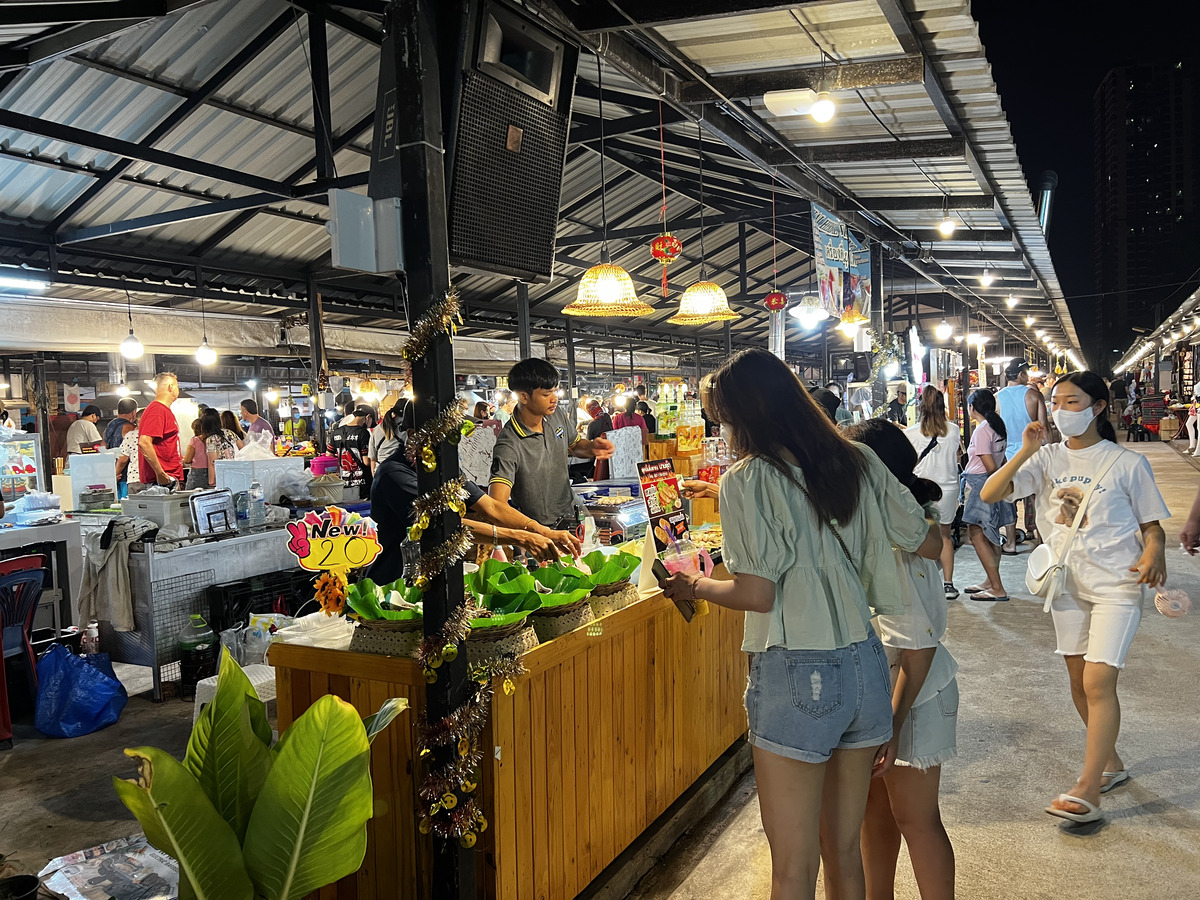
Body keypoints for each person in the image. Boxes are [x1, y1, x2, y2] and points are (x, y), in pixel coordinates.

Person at [662, 349, 941, 900]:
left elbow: (757, 592)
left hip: (796, 671)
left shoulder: (746, 481)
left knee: (793, 867)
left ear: (746, 416)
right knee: (844, 854)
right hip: (864, 663)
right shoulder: (858, 459)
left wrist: (694, 586)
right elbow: (929, 542)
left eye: (725, 418)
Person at [982, 372, 1167, 824]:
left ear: (1098, 407)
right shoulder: (1044, 459)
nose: (1063, 410)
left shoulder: (1126, 462)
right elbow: (991, 493)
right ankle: (1112, 763)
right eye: (1057, 402)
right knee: (1077, 679)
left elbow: (1152, 525)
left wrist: (1154, 552)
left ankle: (1088, 787)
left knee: (1098, 683)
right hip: (1065, 585)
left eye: (1073, 401)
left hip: (1116, 585)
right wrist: (1025, 450)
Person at [846, 419, 957, 900]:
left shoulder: (900, 540)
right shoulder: (885, 526)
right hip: (879, 691)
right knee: (874, 811)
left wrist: (890, 723)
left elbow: (920, 645)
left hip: (915, 691)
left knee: (916, 817)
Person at [369, 451, 581, 584]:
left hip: (436, 578)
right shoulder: (395, 474)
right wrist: (521, 538)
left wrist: (544, 531)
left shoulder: (443, 466)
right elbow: (444, 525)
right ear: (414, 434)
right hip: (396, 581)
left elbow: (491, 507)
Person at [489, 358, 613, 530]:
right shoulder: (509, 444)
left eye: (555, 391)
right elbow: (496, 504)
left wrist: (592, 447)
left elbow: (574, 445)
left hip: (571, 513)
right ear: (523, 396)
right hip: (539, 529)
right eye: (547, 394)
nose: (554, 399)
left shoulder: (556, 415)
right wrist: (532, 532)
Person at [905, 386, 963, 599]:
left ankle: (925, 585)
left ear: (921, 406)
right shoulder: (954, 430)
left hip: (923, 489)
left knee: (923, 536)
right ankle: (948, 584)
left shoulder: (910, 433)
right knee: (945, 536)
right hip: (948, 489)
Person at [959, 390, 1013, 602]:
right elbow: (1002, 460)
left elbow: (990, 465)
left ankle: (997, 587)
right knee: (991, 534)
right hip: (993, 483)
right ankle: (991, 581)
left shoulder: (982, 430)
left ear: (972, 407)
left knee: (976, 533)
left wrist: (995, 481)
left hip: (981, 484)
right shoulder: (997, 426)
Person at [996, 359, 1050, 554]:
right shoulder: (1034, 395)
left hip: (1008, 455)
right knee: (1037, 497)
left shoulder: (997, 398)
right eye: (1027, 373)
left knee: (1009, 498)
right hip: (1033, 453)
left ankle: (1010, 543)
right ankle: (1040, 540)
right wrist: (1050, 451)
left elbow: (995, 432)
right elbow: (1044, 427)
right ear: (1020, 375)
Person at [138, 373, 184, 487]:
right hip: (162, 481)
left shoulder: (162, 410)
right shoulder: (157, 410)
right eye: (177, 386)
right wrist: (160, 474)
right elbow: (144, 442)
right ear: (171, 387)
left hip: (168, 478)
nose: (178, 390)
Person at [329, 405, 373, 500]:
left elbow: (329, 456)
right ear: (368, 417)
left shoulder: (336, 432)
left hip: (343, 482)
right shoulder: (363, 433)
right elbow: (366, 461)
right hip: (362, 484)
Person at [368, 402, 408, 475]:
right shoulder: (407, 428)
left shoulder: (377, 429)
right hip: (400, 473)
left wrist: (375, 478)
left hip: (380, 472)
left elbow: (372, 458)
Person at [200, 408, 236, 488]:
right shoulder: (229, 432)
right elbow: (242, 448)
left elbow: (213, 463)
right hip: (236, 472)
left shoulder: (211, 439)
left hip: (222, 476)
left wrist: (211, 482)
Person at [116, 409, 141, 497]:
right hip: (154, 478)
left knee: (135, 508)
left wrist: (114, 475)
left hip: (135, 478)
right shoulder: (156, 435)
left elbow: (123, 458)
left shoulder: (131, 435)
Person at [181, 419, 209, 490]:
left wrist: (183, 459)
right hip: (210, 472)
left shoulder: (195, 440)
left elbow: (187, 460)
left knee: (190, 495)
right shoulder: (211, 439)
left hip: (196, 474)